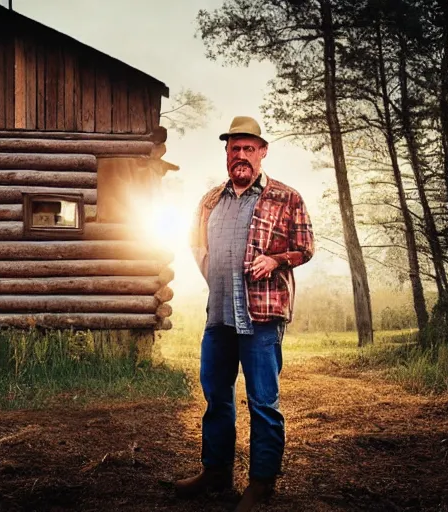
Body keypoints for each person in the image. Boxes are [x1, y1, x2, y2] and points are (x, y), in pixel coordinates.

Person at [176, 116, 315, 511]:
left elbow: (305, 248)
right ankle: (215, 472)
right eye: (234, 148)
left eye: (248, 148)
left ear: (262, 151)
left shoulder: (287, 198)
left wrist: (274, 260)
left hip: (261, 319)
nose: (241, 155)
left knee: (262, 402)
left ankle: (261, 482)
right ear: (226, 153)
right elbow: (196, 245)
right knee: (217, 398)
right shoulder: (210, 200)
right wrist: (215, 280)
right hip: (218, 317)